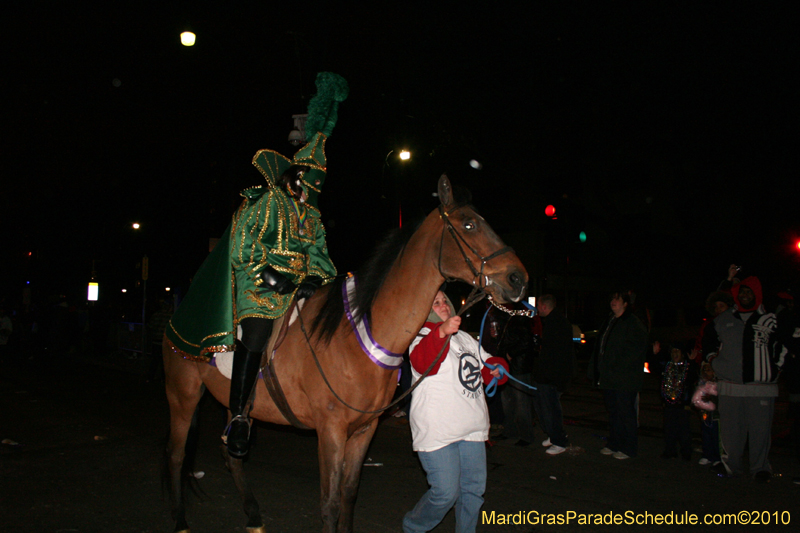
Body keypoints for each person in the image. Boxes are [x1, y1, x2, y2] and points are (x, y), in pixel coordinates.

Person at [165, 72, 348, 458]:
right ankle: (240, 416)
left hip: (297, 288)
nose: (308, 187)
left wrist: (316, 279)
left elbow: (321, 257)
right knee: (259, 332)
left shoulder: (311, 217)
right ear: (290, 177)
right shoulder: (267, 203)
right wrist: (272, 277)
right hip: (259, 287)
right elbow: (244, 247)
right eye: (304, 179)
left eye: (313, 182)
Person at [403, 290, 500, 533]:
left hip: (472, 429)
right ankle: (414, 526)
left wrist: (497, 369)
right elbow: (424, 362)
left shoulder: (465, 338)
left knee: (473, 491)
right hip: (439, 431)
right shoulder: (420, 337)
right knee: (445, 493)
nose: (443, 305)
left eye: (445, 300)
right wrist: (442, 332)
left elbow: (486, 365)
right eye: (435, 302)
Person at [702, 276, 786, 481]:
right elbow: (708, 342)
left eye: (749, 292)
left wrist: (775, 369)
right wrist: (712, 361)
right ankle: (732, 467)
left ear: (757, 294)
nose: (745, 296)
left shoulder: (771, 319)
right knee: (731, 431)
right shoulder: (724, 319)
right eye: (742, 292)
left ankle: (760, 468)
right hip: (730, 386)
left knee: (760, 431)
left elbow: (783, 346)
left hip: (761, 388)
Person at [588, 291, 648, 460]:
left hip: (624, 378)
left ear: (625, 303)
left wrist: (616, 365)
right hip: (609, 377)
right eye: (612, 298)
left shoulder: (632, 323)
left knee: (625, 413)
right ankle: (614, 443)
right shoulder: (610, 320)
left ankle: (629, 447)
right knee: (614, 412)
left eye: (617, 299)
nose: (613, 302)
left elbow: (634, 350)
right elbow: (601, 346)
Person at [534, 294, 575, 455]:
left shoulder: (555, 323)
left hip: (552, 376)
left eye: (538, 306)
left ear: (544, 306)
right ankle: (554, 435)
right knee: (547, 407)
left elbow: (556, 353)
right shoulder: (555, 321)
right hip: (550, 374)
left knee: (551, 409)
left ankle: (560, 441)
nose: (537, 309)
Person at [496, 311, 536, 446]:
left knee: (521, 403)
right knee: (507, 402)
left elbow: (526, 341)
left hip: (518, 368)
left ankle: (526, 436)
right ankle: (510, 431)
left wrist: (510, 354)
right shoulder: (506, 320)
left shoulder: (519, 319)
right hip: (507, 367)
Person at [658, 343, 697, 460]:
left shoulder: (687, 366)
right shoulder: (667, 366)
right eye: (673, 352)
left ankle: (686, 451)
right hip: (668, 403)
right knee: (669, 429)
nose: (675, 354)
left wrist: (692, 362)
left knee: (684, 430)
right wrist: (657, 355)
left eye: (677, 352)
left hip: (682, 405)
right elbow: (656, 368)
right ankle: (670, 450)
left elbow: (693, 378)